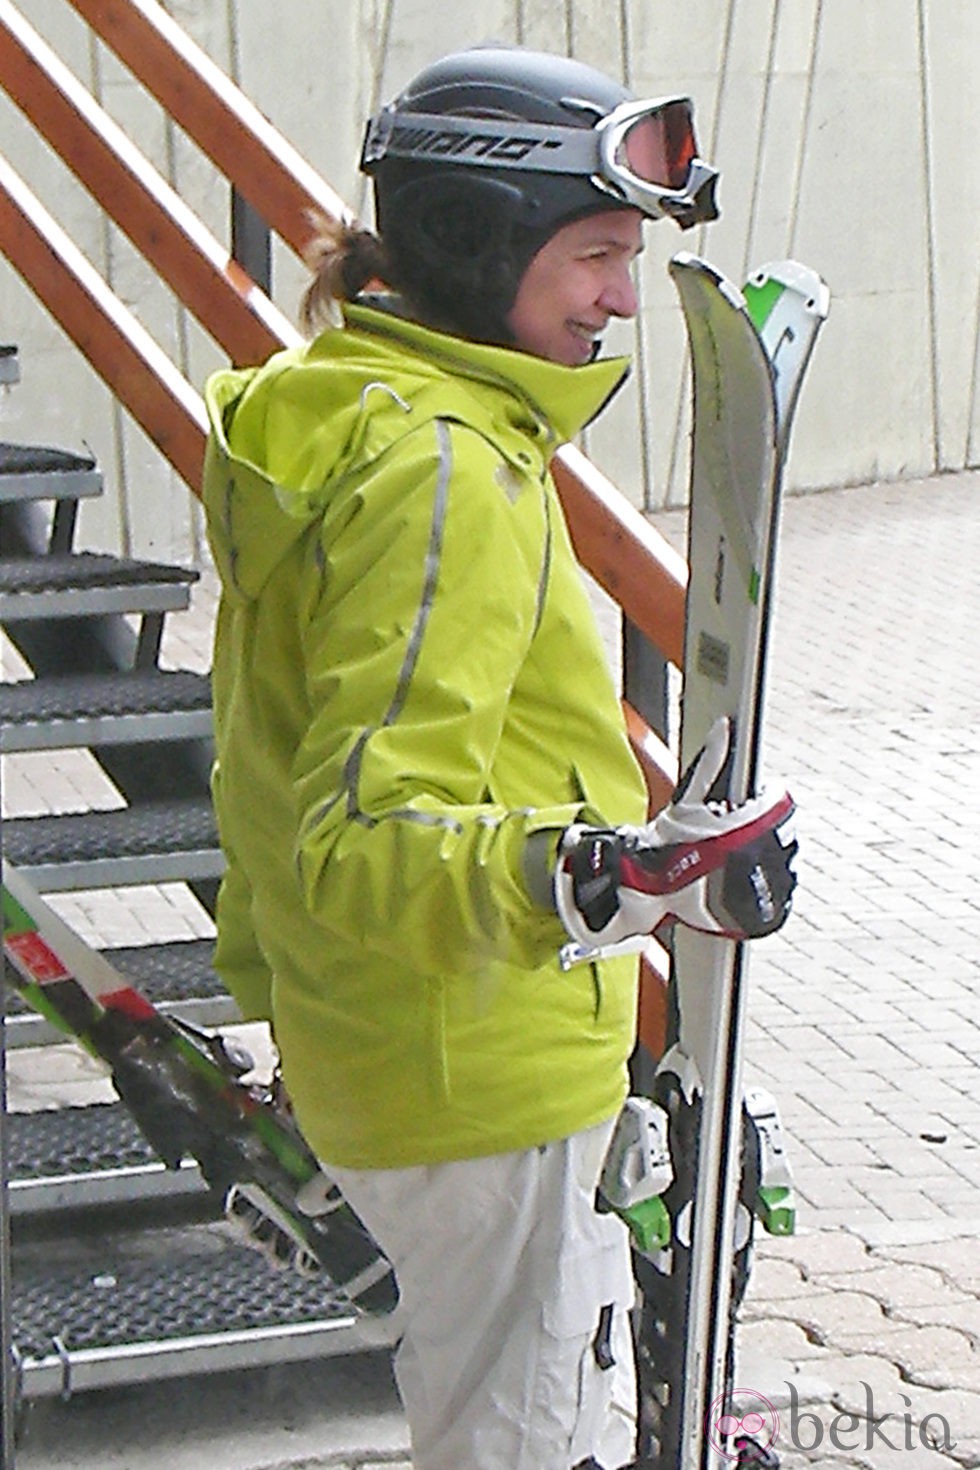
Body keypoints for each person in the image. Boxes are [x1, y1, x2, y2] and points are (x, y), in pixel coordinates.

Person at [201, 44, 796, 1470]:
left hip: (413, 1050)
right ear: (479, 247)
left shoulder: (353, 411)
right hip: (470, 1071)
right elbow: (359, 827)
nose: (617, 294)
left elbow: (272, 769)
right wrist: (611, 876)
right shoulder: (447, 466)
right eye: (597, 252)